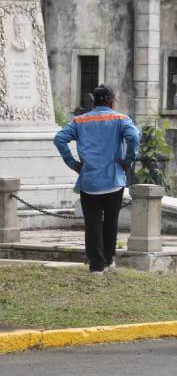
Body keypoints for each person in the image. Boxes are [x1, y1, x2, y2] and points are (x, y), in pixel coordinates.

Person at [53, 85, 140, 274]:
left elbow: (59, 138)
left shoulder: (79, 121)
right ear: (111, 101)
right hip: (113, 180)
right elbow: (133, 136)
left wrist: (73, 163)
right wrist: (128, 161)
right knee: (111, 221)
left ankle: (96, 266)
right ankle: (109, 260)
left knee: (92, 224)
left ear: (94, 101)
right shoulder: (120, 119)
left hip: (89, 181)